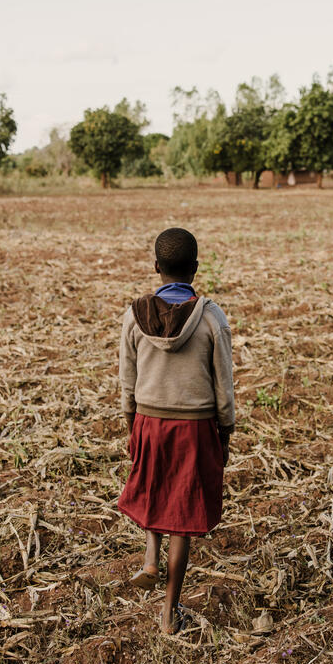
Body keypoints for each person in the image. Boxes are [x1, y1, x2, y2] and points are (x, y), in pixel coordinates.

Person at [117, 227, 235, 635]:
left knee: (153, 487)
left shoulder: (134, 315)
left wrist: (131, 423)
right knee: (182, 516)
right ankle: (169, 613)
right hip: (195, 424)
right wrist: (226, 431)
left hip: (150, 417)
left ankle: (150, 554)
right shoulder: (211, 317)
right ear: (196, 268)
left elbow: (126, 379)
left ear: (156, 267)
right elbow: (224, 383)